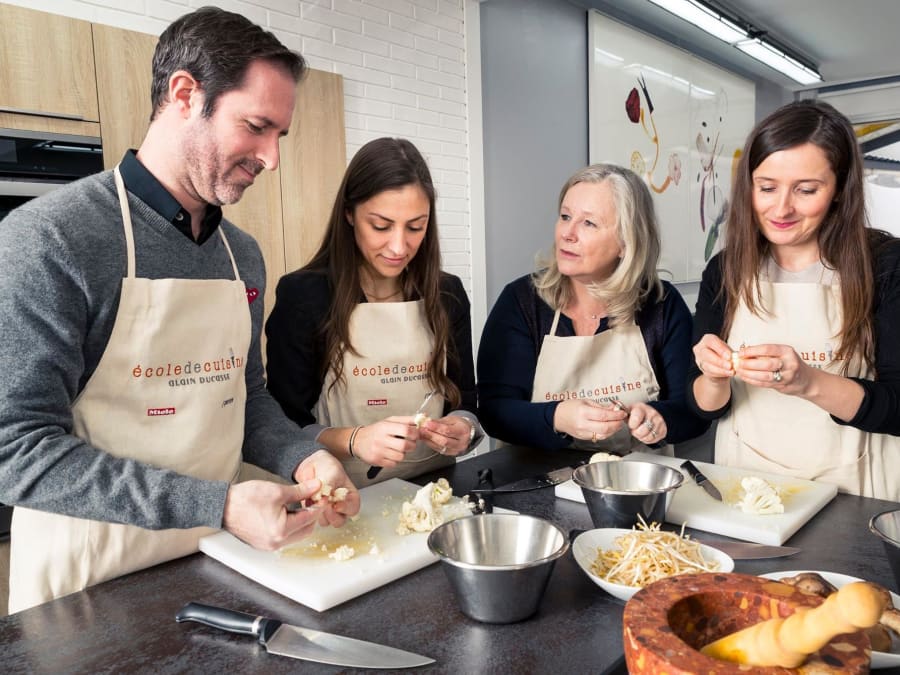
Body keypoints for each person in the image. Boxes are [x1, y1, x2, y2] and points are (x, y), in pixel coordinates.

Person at [0, 7, 360, 613]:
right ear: (185, 94)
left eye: (281, 136)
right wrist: (216, 502)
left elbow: (247, 401)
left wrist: (307, 458)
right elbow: (15, 448)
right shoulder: (52, 239)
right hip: (89, 585)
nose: (271, 159)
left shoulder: (240, 255)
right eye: (256, 126)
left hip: (221, 562)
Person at [689, 99, 900, 501]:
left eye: (806, 190)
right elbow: (702, 407)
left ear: (839, 190)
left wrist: (808, 382)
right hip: (743, 488)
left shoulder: (886, 265)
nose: (781, 208)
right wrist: (714, 378)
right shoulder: (726, 268)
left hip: (854, 494)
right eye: (766, 188)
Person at [265, 137, 483, 486]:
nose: (399, 246)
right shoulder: (303, 296)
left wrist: (463, 426)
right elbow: (282, 425)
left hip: (434, 491)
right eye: (380, 226)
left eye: (416, 227)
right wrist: (354, 440)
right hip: (337, 495)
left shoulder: (447, 295)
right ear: (349, 214)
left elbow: (466, 399)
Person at [477, 163, 708, 454]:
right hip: (530, 484)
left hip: (634, 484)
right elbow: (494, 412)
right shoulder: (521, 301)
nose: (567, 234)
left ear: (626, 242)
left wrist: (660, 419)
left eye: (589, 223)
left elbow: (693, 410)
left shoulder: (661, 304)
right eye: (565, 217)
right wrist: (558, 417)